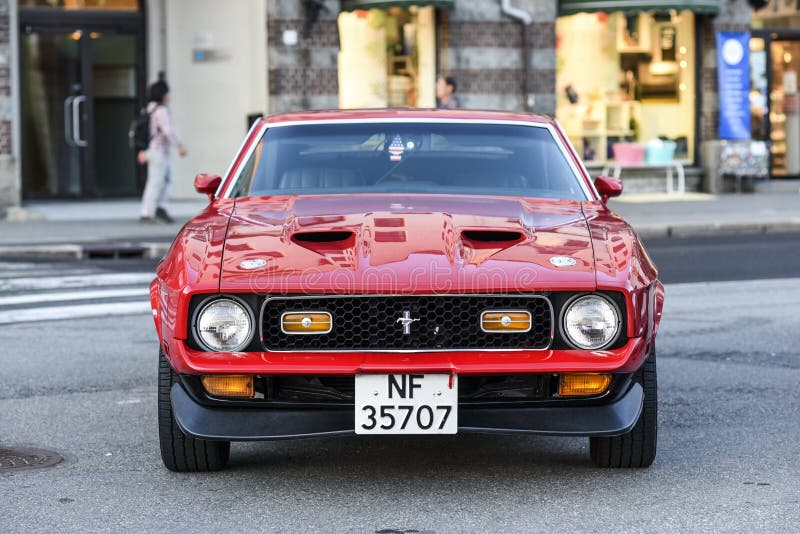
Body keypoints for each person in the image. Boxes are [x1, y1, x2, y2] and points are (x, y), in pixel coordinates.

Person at [138, 77, 187, 224]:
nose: (170, 94)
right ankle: (147, 213)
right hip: (158, 151)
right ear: (163, 94)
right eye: (168, 92)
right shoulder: (161, 110)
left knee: (167, 178)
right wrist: (180, 145)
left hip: (153, 150)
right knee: (156, 182)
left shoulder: (149, 108)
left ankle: (160, 207)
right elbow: (167, 131)